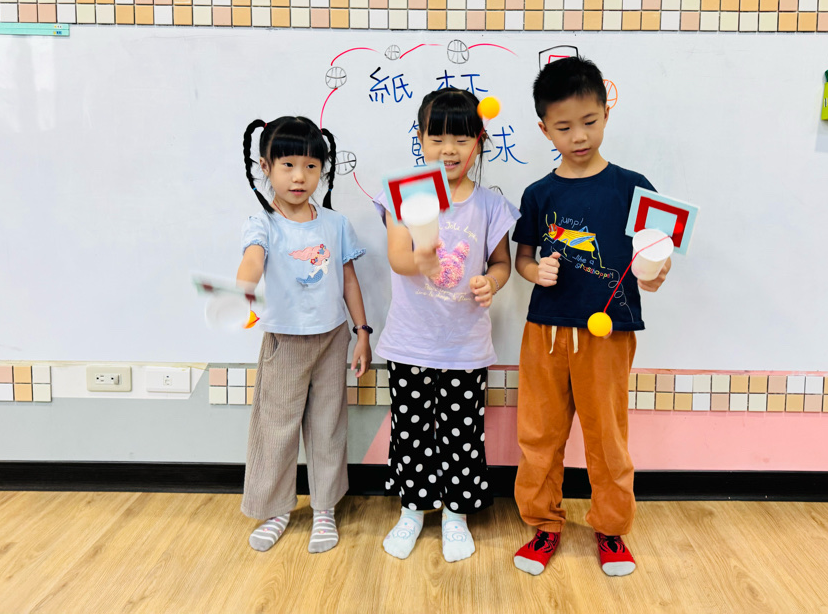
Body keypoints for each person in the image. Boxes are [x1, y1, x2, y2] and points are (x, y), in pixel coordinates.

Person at [511, 57, 671, 577]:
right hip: (545, 332)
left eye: (589, 121)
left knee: (607, 439)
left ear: (606, 113)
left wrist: (654, 273)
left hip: (608, 334)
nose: (578, 136)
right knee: (539, 436)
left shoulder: (632, 186)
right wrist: (535, 272)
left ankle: (611, 528)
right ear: (544, 129)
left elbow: (654, 254)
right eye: (563, 127)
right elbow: (523, 258)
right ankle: (544, 525)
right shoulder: (539, 194)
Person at [373, 88, 519, 563]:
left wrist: (490, 283)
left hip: (465, 345)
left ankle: (456, 514)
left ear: (479, 141)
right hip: (410, 342)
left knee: (462, 432)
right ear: (420, 139)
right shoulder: (405, 193)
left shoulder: (490, 206)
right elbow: (398, 258)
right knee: (411, 432)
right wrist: (422, 259)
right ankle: (413, 510)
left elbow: (502, 263)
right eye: (436, 137)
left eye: (461, 138)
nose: (448, 149)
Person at [236, 115, 371, 555]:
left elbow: (348, 280)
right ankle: (276, 509)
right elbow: (253, 258)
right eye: (288, 165)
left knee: (328, 426)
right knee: (276, 429)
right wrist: (244, 285)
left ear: (322, 170)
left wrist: (362, 332)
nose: (299, 177)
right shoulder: (263, 223)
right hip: (285, 341)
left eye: (311, 166)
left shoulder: (335, 223)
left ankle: (325, 508)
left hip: (332, 337)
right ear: (265, 167)